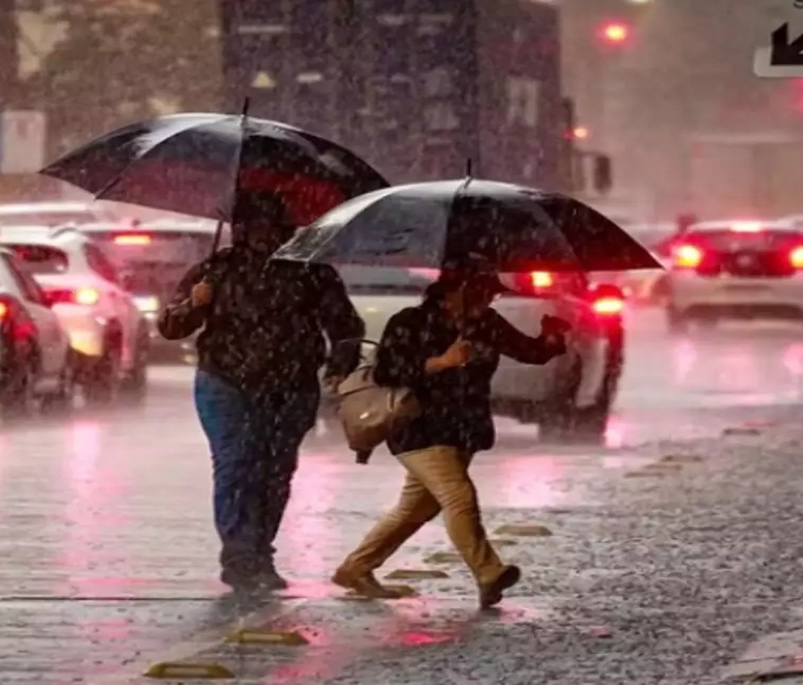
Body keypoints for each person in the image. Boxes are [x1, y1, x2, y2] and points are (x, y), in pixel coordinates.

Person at [158, 190, 365, 592]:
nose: (263, 238)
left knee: (275, 471)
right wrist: (194, 304)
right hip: (225, 382)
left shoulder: (311, 272)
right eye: (254, 229)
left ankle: (260, 550)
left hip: (291, 385)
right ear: (240, 230)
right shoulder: (216, 270)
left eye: (272, 229)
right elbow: (171, 327)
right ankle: (239, 556)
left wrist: (340, 367)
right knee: (236, 463)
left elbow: (345, 326)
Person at [330, 261, 568, 608]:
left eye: (492, 295)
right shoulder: (410, 322)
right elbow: (387, 371)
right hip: (418, 426)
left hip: (461, 427)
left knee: (415, 509)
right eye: (482, 294)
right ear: (454, 291)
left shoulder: (485, 323)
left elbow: (530, 353)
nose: (488, 301)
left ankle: (356, 568)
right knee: (458, 496)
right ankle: (489, 573)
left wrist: (552, 337)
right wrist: (440, 362)